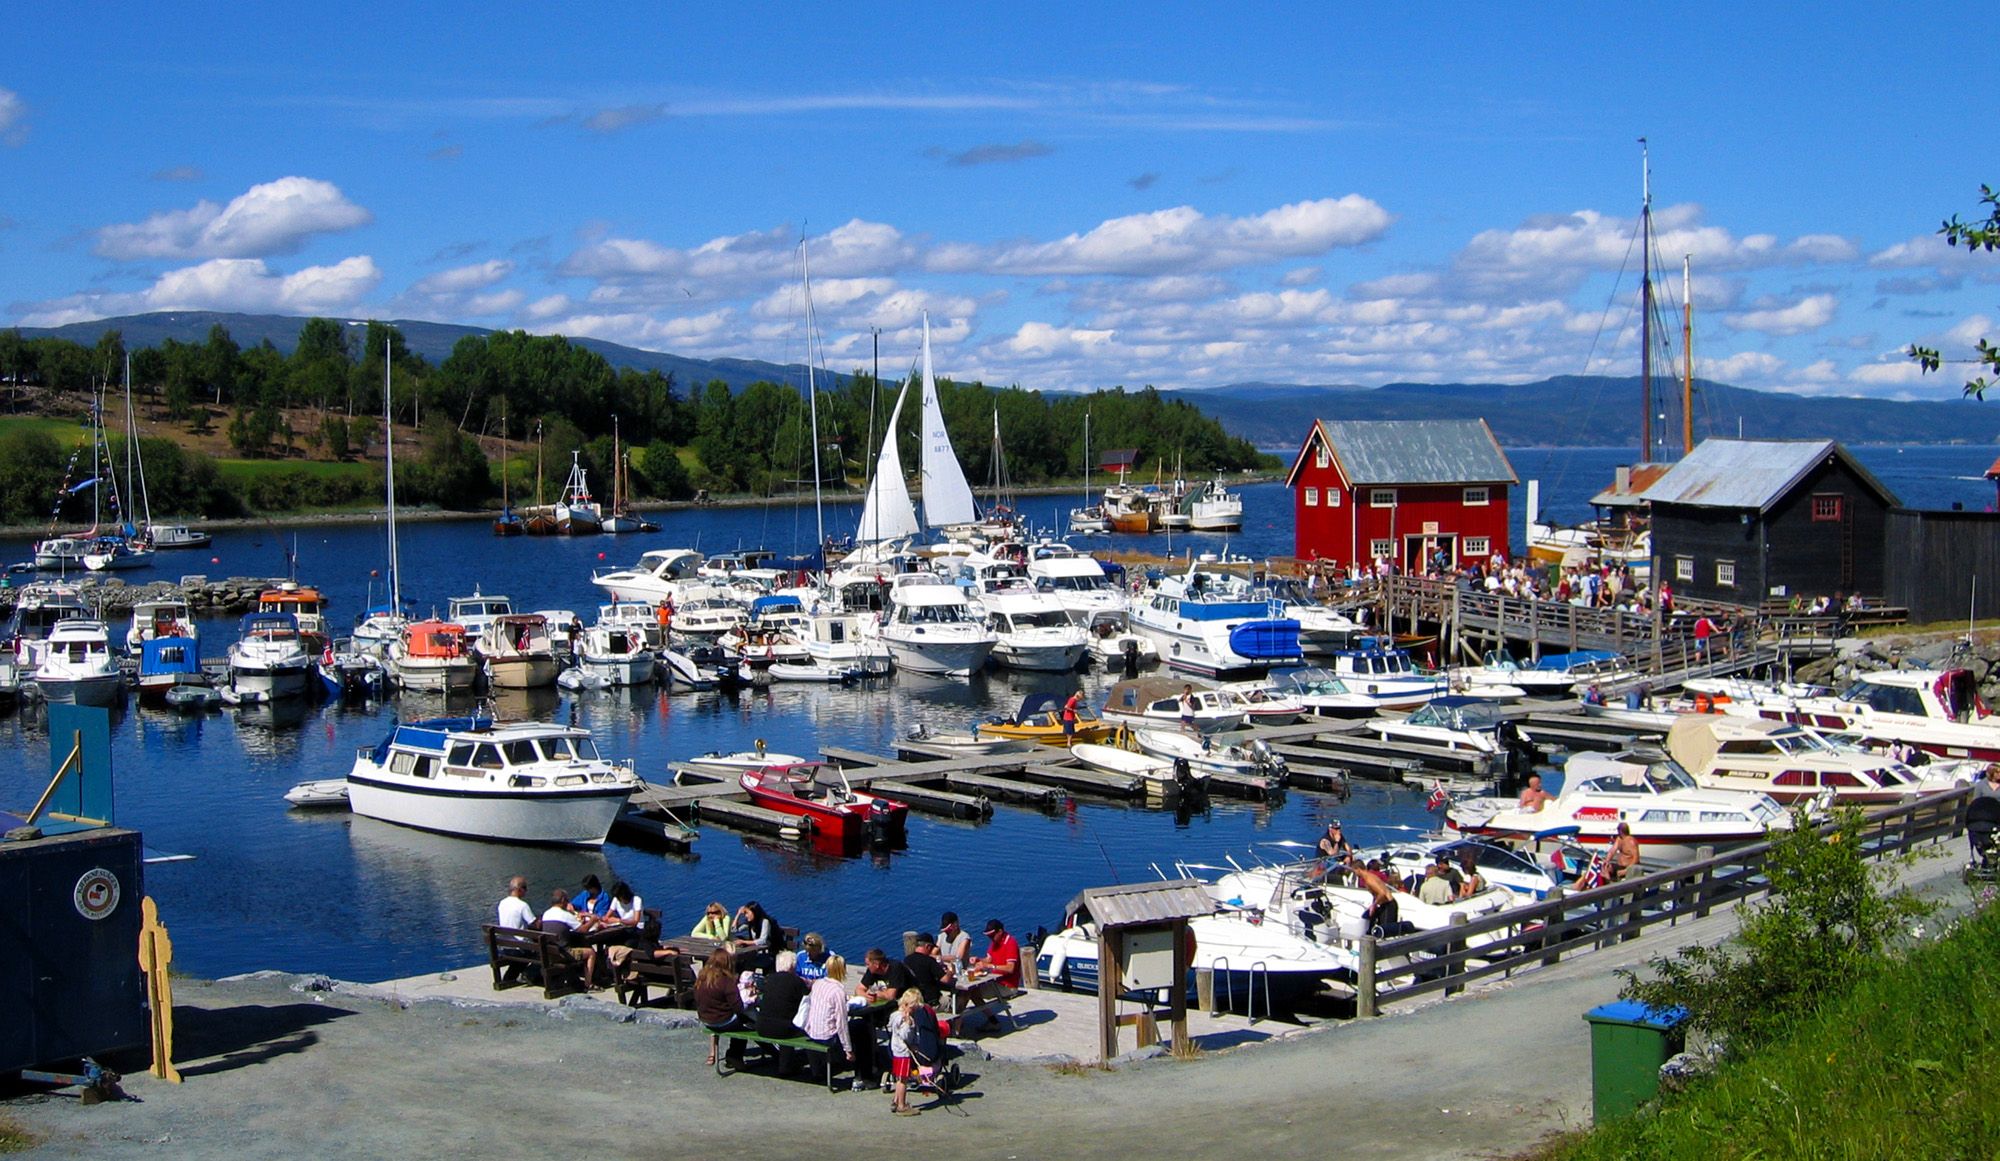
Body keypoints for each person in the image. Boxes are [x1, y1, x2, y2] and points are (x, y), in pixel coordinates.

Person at [803, 954, 859, 1086]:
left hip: (811, 1031)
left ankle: (819, 1069)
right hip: (826, 1036)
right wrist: (848, 1049)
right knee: (858, 1027)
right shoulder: (838, 991)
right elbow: (841, 1022)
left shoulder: (818, 984)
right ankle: (859, 1069)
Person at [696, 946, 749, 1068]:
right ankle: (734, 1057)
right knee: (744, 1023)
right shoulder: (726, 981)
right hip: (722, 1020)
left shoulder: (702, 977)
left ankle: (728, 1055)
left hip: (705, 1019)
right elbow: (738, 1007)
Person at [538, 889, 600, 990]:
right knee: (591, 952)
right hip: (564, 953)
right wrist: (593, 920)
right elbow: (583, 930)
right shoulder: (564, 915)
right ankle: (588, 984)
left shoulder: (546, 914)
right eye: (567, 900)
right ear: (562, 900)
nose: (567, 903)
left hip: (550, 953)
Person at [887, 990, 924, 1115]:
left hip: (897, 1050)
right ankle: (902, 1106)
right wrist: (909, 1024)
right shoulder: (904, 1019)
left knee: (899, 1078)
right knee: (903, 1079)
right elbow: (904, 1035)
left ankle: (896, 1101)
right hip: (903, 1052)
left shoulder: (895, 1015)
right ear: (907, 1005)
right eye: (913, 1009)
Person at [1347, 857, 1400, 936]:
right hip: (1383, 904)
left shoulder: (1369, 879)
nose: (1354, 873)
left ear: (1358, 869)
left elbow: (1382, 893)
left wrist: (1374, 905)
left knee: (1385, 931)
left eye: (1354, 871)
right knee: (1372, 922)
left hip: (1388, 905)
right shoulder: (1367, 878)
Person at [902, 932, 951, 1007]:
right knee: (960, 997)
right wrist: (951, 971)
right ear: (927, 946)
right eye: (931, 948)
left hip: (917, 1003)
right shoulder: (929, 961)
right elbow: (946, 979)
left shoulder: (906, 960)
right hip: (933, 1003)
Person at [971, 919, 1020, 989]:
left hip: (1007, 985)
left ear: (1000, 932)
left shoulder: (1010, 943)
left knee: (975, 992)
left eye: (992, 936)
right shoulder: (995, 942)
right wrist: (978, 960)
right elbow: (989, 959)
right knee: (971, 992)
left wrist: (990, 966)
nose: (991, 938)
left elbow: (1010, 968)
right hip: (995, 981)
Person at [731, 900, 778, 971]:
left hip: (767, 953)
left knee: (744, 963)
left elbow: (762, 940)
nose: (746, 916)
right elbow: (734, 930)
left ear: (754, 912)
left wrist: (744, 942)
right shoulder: (750, 923)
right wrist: (738, 914)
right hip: (755, 951)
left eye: (747, 913)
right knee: (738, 963)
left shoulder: (765, 922)